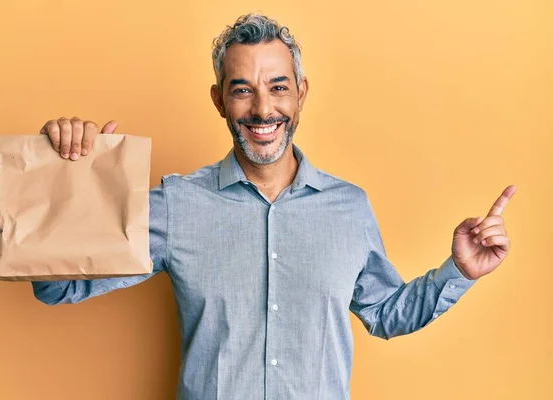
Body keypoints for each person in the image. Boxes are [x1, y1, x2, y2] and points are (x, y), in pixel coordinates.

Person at [32, 13, 515, 400]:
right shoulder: (177, 204)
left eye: (278, 86)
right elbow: (61, 287)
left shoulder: (349, 207)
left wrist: (459, 271)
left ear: (300, 95)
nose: (263, 109)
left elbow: (385, 314)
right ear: (219, 100)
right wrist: (60, 179)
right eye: (242, 89)